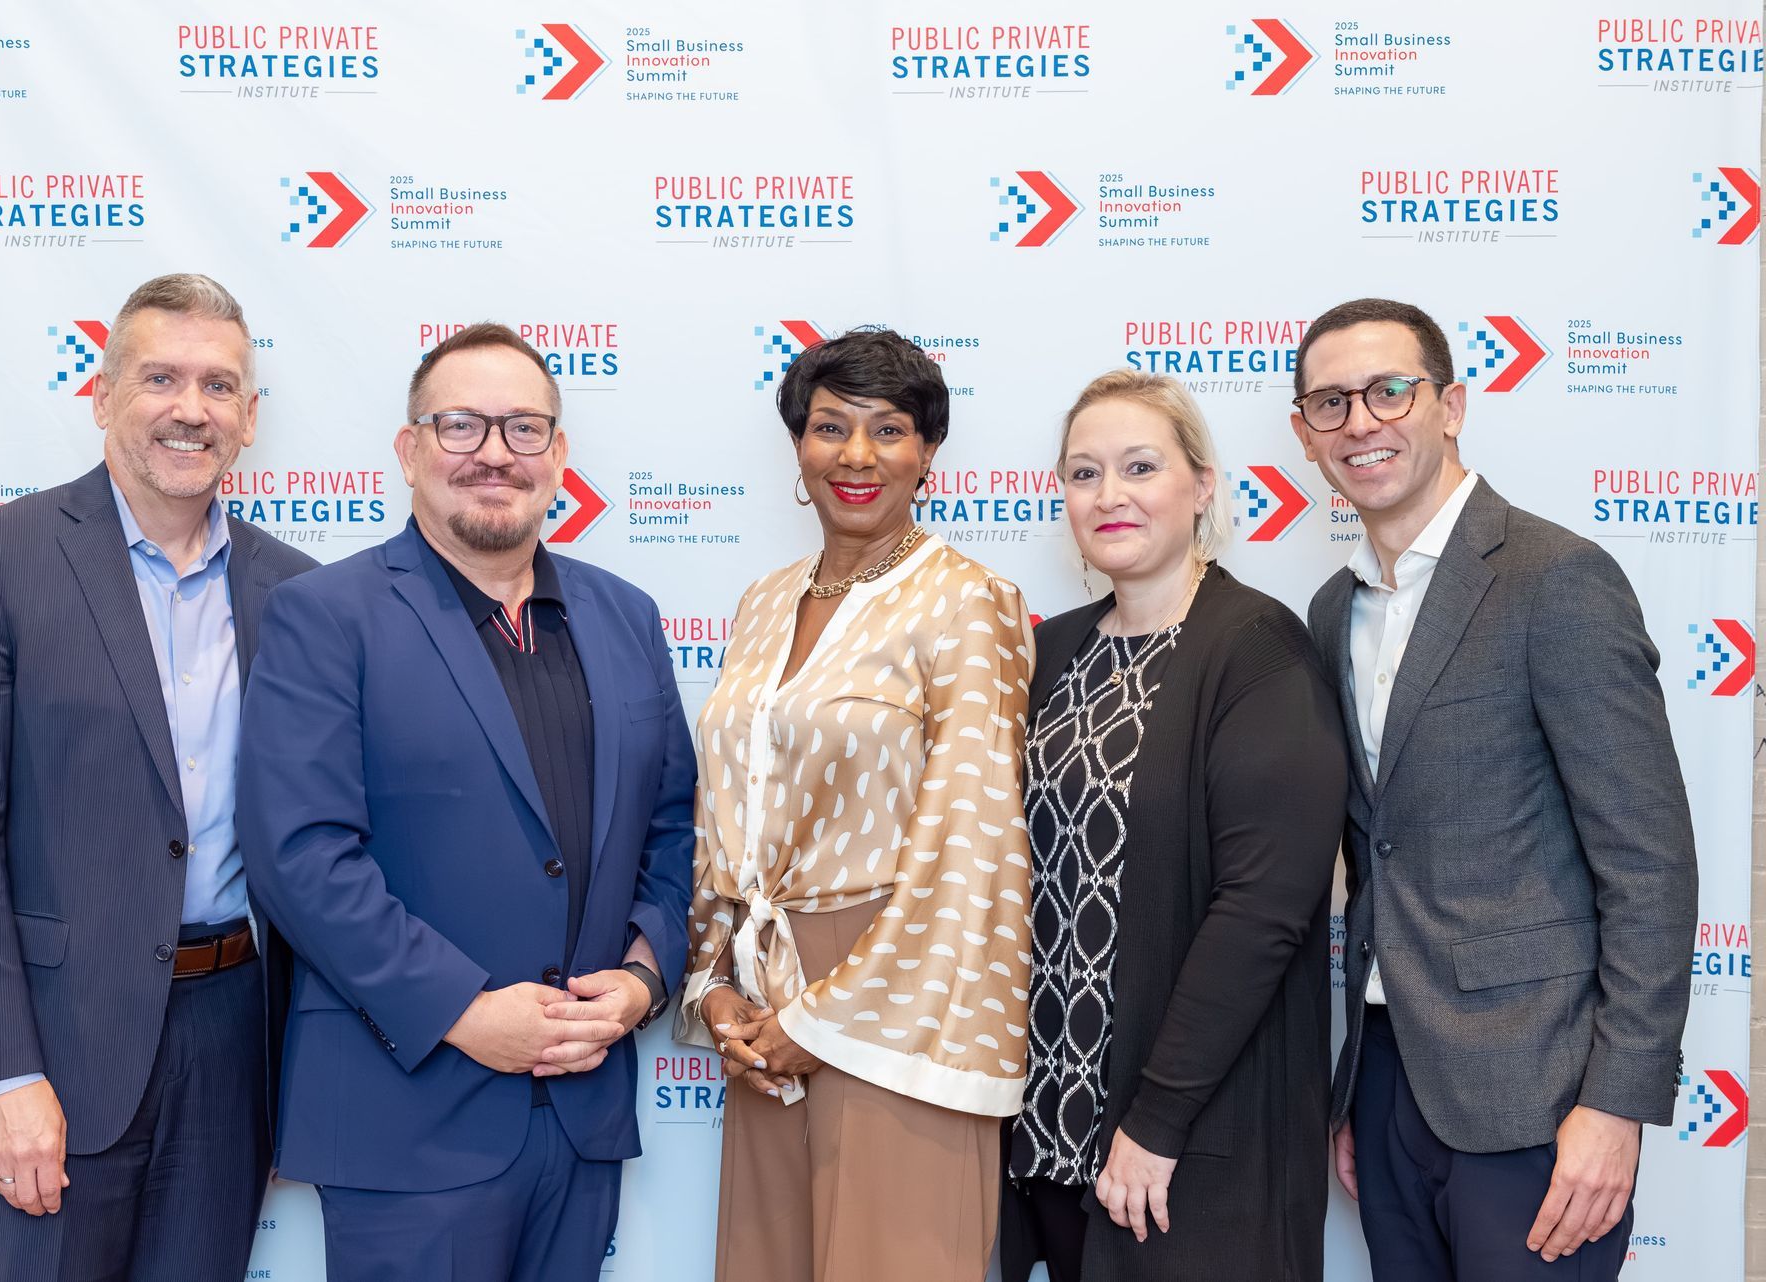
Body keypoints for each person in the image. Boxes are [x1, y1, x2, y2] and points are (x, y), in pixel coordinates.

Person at [237, 322, 694, 1282]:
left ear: (559, 456)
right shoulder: (326, 616)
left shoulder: (627, 617)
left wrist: (645, 979)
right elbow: (301, 854)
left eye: (524, 429)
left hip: (582, 1113)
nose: (494, 453)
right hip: (408, 1118)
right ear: (409, 451)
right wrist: (463, 1012)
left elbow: (672, 825)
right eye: (460, 426)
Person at [0, 273, 315, 1280]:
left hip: (232, 1038)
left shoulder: (296, 591)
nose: (190, 407)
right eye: (161, 377)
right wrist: (3, 1074)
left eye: (220, 386)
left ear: (250, 420)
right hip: (55, 1044)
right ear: (103, 394)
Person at [1294, 298, 1697, 1280]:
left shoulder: (1554, 579)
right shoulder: (1330, 609)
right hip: (1388, 1086)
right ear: (1305, 436)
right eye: (1331, 403)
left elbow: (1648, 861)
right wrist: (1358, 1094)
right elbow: (1370, 849)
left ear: (1452, 406)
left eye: (1390, 390)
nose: (1362, 422)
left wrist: (1616, 1105)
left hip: (1539, 1092)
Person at [675, 327, 1034, 1282]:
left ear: (928, 453)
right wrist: (716, 989)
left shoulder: (968, 600)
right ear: (798, 446)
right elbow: (731, 811)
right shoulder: (763, 600)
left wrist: (826, 1017)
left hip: (904, 998)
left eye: (889, 430)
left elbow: (975, 841)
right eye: (832, 428)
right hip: (763, 1003)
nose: (858, 455)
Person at [1000, 370, 1346, 1282]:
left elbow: (1263, 911)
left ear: (1201, 486)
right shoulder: (1050, 652)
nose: (1109, 494)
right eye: (1084, 474)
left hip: (1182, 1145)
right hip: (1048, 1131)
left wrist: (1155, 1123)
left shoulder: (1257, 650)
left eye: (1140, 466)